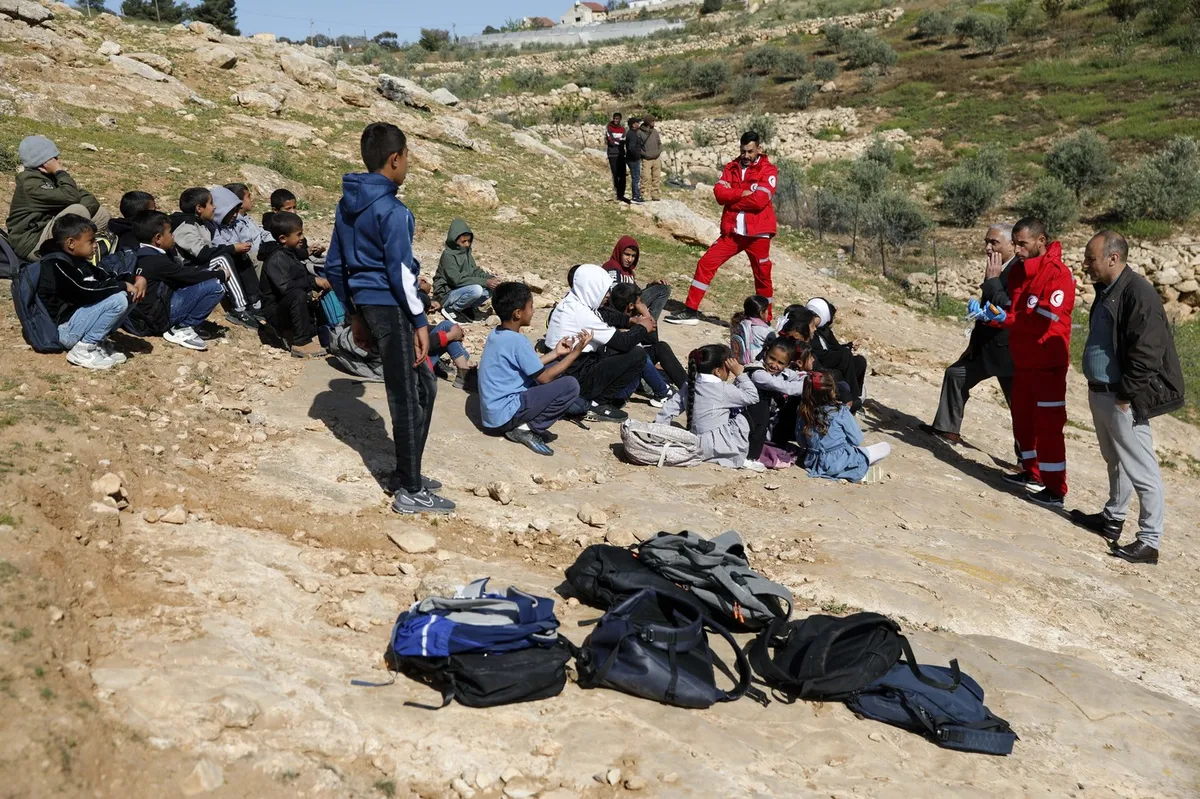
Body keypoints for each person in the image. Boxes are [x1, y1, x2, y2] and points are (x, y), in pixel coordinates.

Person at [324, 122, 454, 514]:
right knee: (411, 393)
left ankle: (406, 470)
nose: (408, 165)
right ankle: (411, 489)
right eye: (407, 158)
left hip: (368, 306)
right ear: (395, 159)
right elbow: (400, 273)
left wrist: (354, 314)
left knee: (422, 387)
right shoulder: (393, 211)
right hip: (394, 307)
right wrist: (420, 324)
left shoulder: (348, 204)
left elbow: (334, 266)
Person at [1070, 231, 1184, 565]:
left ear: (1113, 258)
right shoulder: (1109, 290)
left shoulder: (1138, 293)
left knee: (1142, 470)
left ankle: (1149, 541)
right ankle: (1112, 519)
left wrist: (1126, 395)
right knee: (1115, 460)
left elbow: (1149, 351)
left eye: (1091, 258)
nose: (1086, 264)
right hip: (1103, 393)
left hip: (1122, 397)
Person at [977, 217, 1076, 509]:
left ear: (1041, 241)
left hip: (1047, 364)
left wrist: (1006, 320)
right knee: (1023, 421)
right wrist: (992, 315)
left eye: (1023, 244)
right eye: (1016, 244)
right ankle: (1031, 472)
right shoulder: (1020, 271)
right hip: (1023, 361)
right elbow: (1014, 309)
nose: (1017, 250)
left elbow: (1043, 318)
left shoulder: (1057, 274)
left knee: (1048, 427)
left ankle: (1055, 488)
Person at [666, 131, 777, 325]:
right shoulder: (731, 167)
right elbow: (718, 194)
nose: (746, 155)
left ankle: (765, 321)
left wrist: (732, 200)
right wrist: (742, 193)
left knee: (762, 276)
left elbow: (760, 201)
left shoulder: (768, 170)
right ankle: (691, 311)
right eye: (743, 151)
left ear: (759, 149)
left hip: (758, 234)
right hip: (733, 232)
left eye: (750, 151)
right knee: (706, 263)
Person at [922, 224, 1017, 445]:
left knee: (1019, 406)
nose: (988, 247)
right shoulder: (996, 267)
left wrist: (993, 282)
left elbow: (1010, 307)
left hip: (1009, 352)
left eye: (994, 242)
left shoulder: (1019, 271)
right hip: (985, 347)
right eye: (986, 241)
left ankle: (1027, 461)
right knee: (956, 375)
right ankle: (947, 430)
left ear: (1011, 245)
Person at [480, 281, 587, 456]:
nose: (533, 311)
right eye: (530, 307)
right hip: (504, 416)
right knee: (570, 385)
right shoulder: (518, 341)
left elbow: (530, 366)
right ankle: (525, 428)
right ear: (517, 313)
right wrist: (574, 353)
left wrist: (556, 353)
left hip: (493, 414)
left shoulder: (498, 333)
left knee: (554, 366)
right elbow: (543, 378)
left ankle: (522, 422)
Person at [543, 264, 649, 423]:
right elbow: (623, 343)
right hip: (576, 375)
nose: (607, 295)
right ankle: (597, 402)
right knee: (637, 354)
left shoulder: (573, 301)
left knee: (615, 350)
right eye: (604, 290)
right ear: (592, 288)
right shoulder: (581, 313)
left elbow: (603, 315)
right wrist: (642, 327)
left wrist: (629, 320)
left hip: (567, 368)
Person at [36, 214, 143, 369]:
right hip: (63, 329)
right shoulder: (57, 264)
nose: (95, 245)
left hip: (78, 321)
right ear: (71, 243)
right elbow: (84, 291)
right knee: (118, 299)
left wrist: (135, 279)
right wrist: (122, 286)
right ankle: (84, 348)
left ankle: (98, 341)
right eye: (91, 241)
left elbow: (104, 277)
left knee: (131, 293)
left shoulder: (77, 260)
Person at [125, 209, 225, 352]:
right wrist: (219, 274)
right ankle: (182, 328)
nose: (173, 236)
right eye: (170, 233)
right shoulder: (158, 261)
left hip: (137, 317)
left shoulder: (136, 254)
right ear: (158, 238)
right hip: (154, 320)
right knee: (215, 286)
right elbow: (189, 276)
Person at [654, 344, 765, 471]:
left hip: (697, 443)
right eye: (727, 369)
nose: (729, 373)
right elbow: (753, 397)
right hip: (718, 447)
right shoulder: (723, 389)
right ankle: (751, 457)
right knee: (761, 407)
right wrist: (740, 374)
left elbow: (669, 408)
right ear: (717, 371)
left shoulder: (690, 384)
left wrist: (658, 431)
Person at [6, 135, 113, 261]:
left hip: (48, 228)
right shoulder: (31, 184)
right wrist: (59, 171)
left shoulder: (48, 178)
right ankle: (77, 256)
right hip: (32, 243)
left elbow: (85, 196)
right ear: (45, 163)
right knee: (78, 211)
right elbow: (72, 196)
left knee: (102, 215)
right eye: (54, 159)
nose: (58, 162)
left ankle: (86, 252)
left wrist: (71, 197)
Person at [171, 187, 259, 329]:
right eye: (211, 203)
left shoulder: (200, 223)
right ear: (199, 208)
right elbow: (202, 254)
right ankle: (239, 309)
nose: (215, 207)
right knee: (223, 258)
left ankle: (255, 302)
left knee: (237, 255)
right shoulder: (186, 226)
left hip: (199, 263)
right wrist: (232, 248)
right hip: (188, 268)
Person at [599, 281, 684, 406]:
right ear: (631, 306)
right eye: (640, 302)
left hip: (630, 369)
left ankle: (688, 388)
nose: (643, 304)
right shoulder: (611, 320)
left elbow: (652, 339)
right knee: (639, 354)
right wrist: (645, 313)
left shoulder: (627, 317)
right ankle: (663, 391)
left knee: (661, 348)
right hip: (620, 387)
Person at [258, 211, 330, 358]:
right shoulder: (276, 258)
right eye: (298, 234)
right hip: (277, 312)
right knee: (297, 294)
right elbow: (286, 288)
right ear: (283, 238)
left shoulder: (289, 253)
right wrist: (312, 282)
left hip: (290, 307)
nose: (302, 238)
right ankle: (301, 343)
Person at [797, 371, 890, 482]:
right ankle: (852, 472)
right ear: (832, 391)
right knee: (885, 447)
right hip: (838, 461)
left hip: (813, 461)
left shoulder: (803, 412)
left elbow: (801, 442)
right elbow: (856, 440)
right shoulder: (840, 411)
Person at [744, 336, 808, 469]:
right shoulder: (757, 372)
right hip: (749, 419)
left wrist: (807, 381)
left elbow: (802, 377)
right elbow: (784, 387)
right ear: (766, 352)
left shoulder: (783, 373)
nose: (774, 365)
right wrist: (808, 386)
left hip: (769, 422)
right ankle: (751, 455)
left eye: (780, 362)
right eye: (772, 358)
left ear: (788, 364)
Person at [210, 185, 265, 315]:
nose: (235, 215)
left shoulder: (234, 223)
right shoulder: (214, 228)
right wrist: (235, 247)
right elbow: (219, 245)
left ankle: (255, 301)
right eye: (231, 212)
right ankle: (240, 307)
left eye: (236, 211)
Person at [806, 297, 868, 413]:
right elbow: (819, 353)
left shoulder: (825, 331)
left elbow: (835, 347)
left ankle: (855, 394)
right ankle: (851, 397)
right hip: (820, 363)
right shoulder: (808, 330)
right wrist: (843, 352)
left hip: (829, 359)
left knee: (859, 361)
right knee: (844, 356)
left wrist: (848, 346)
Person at [433, 219, 499, 323]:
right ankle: (453, 308)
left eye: (469, 241)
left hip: (461, 290)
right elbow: (457, 280)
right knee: (476, 290)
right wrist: (484, 282)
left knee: (491, 288)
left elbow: (474, 271)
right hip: (446, 294)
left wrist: (490, 279)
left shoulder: (466, 253)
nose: (467, 244)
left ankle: (466, 307)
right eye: (463, 241)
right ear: (454, 240)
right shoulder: (448, 256)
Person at [601, 235, 671, 321]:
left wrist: (651, 286)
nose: (630, 259)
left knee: (663, 288)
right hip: (618, 309)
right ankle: (647, 323)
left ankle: (650, 322)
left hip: (631, 304)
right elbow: (616, 297)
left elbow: (635, 292)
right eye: (627, 254)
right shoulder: (612, 267)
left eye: (633, 256)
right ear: (619, 252)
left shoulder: (629, 272)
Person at [731, 295, 773, 365]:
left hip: (739, 359)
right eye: (766, 310)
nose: (767, 312)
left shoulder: (740, 323)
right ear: (761, 313)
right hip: (756, 363)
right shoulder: (765, 330)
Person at [638, 115, 663, 202]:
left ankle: (654, 193)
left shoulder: (655, 131)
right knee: (645, 176)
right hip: (646, 159)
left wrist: (659, 151)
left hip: (656, 158)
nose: (654, 122)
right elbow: (638, 146)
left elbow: (659, 143)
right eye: (652, 121)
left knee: (656, 176)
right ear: (648, 122)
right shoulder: (640, 133)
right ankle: (642, 192)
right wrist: (644, 154)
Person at [604, 112, 628, 203]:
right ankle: (618, 193)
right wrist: (619, 142)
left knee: (622, 174)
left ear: (620, 119)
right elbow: (611, 141)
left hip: (621, 154)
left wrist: (617, 142)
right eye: (614, 118)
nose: (615, 120)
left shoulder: (623, 129)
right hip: (612, 154)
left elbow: (623, 140)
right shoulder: (608, 128)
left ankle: (622, 193)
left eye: (617, 119)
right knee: (615, 174)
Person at [626, 117, 645, 204]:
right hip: (633, 160)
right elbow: (631, 148)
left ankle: (637, 195)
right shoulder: (632, 134)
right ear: (633, 125)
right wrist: (637, 156)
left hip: (632, 159)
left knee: (636, 177)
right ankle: (635, 196)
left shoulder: (632, 133)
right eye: (637, 123)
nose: (638, 124)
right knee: (635, 178)